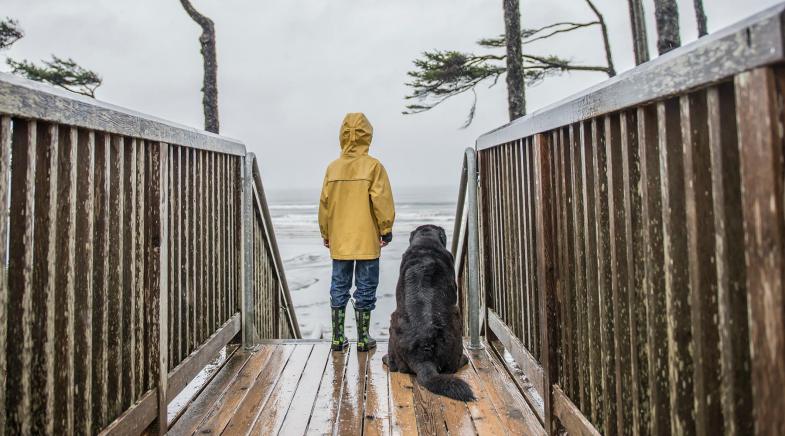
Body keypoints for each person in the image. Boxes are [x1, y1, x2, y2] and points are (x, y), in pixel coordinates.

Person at [318, 112, 395, 352]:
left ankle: (337, 338)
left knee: (339, 286)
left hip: (340, 240)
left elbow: (324, 205)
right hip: (366, 239)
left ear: (342, 135)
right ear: (367, 135)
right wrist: (386, 229)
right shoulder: (373, 166)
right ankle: (363, 339)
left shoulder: (332, 168)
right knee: (365, 287)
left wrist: (326, 233)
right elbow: (381, 201)